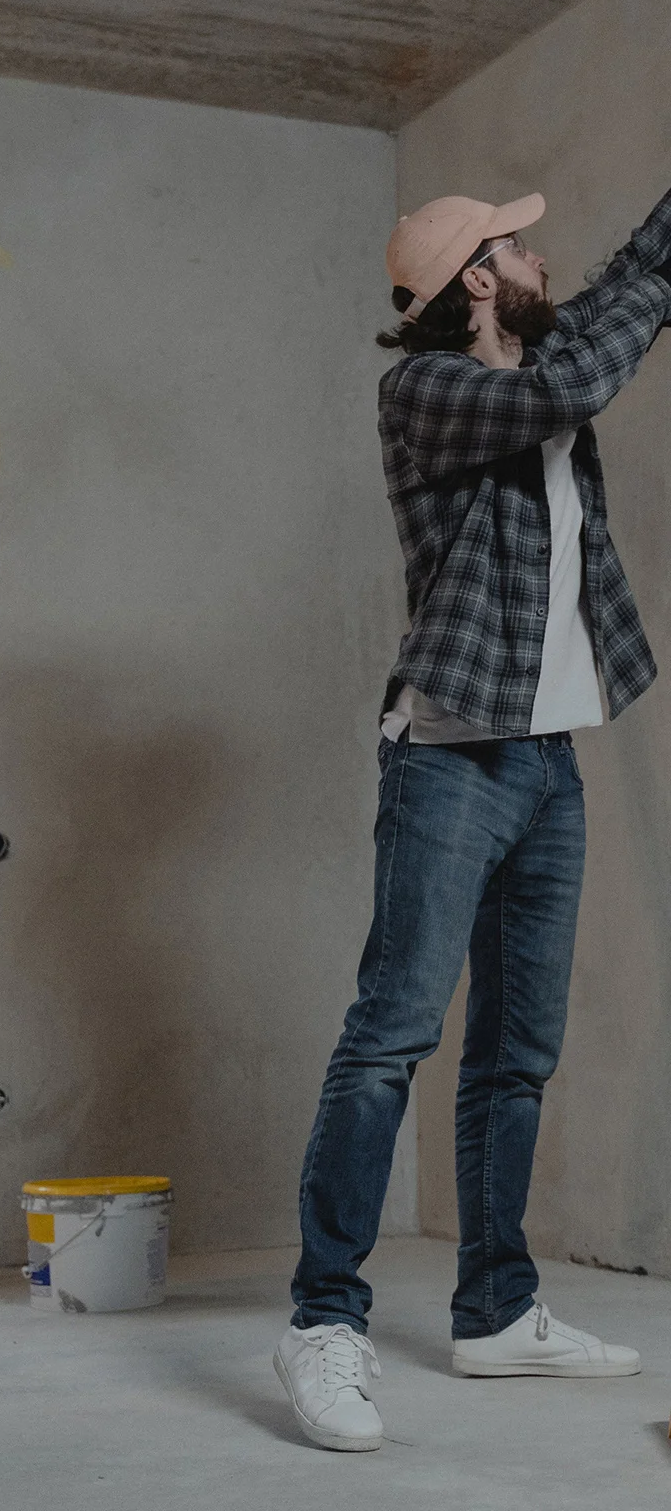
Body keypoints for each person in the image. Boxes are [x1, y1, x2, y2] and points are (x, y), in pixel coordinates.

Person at [275, 187, 671, 1451]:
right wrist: (655, 298)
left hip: (545, 764)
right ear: (478, 282)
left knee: (515, 1054)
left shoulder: (541, 346)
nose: (541, 251)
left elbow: (622, 277)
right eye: (516, 243)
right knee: (391, 1035)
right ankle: (321, 1325)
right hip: (447, 760)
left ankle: (496, 1310)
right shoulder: (430, 392)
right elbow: (566, 394)